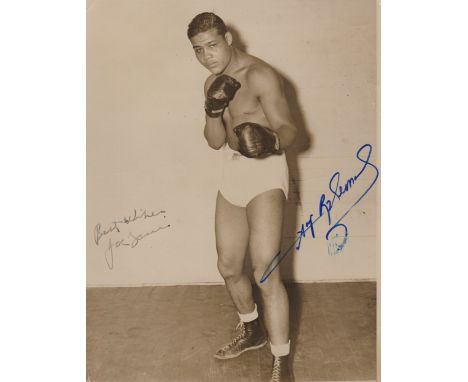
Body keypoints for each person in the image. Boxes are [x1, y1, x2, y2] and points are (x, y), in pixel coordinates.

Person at [187, 12, 297, 382]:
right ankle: (251, 328)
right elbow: (216, 141)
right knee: (229, 265)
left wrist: (273, 140)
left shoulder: (261, 75)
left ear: (229, 37)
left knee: (265, 272)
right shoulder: (211, 83)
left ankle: (281, 361)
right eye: (198, 50)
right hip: (232, 169)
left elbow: (292, 130)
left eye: (213, 46)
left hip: (266, 171)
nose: (207, 56)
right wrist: (212, 110)